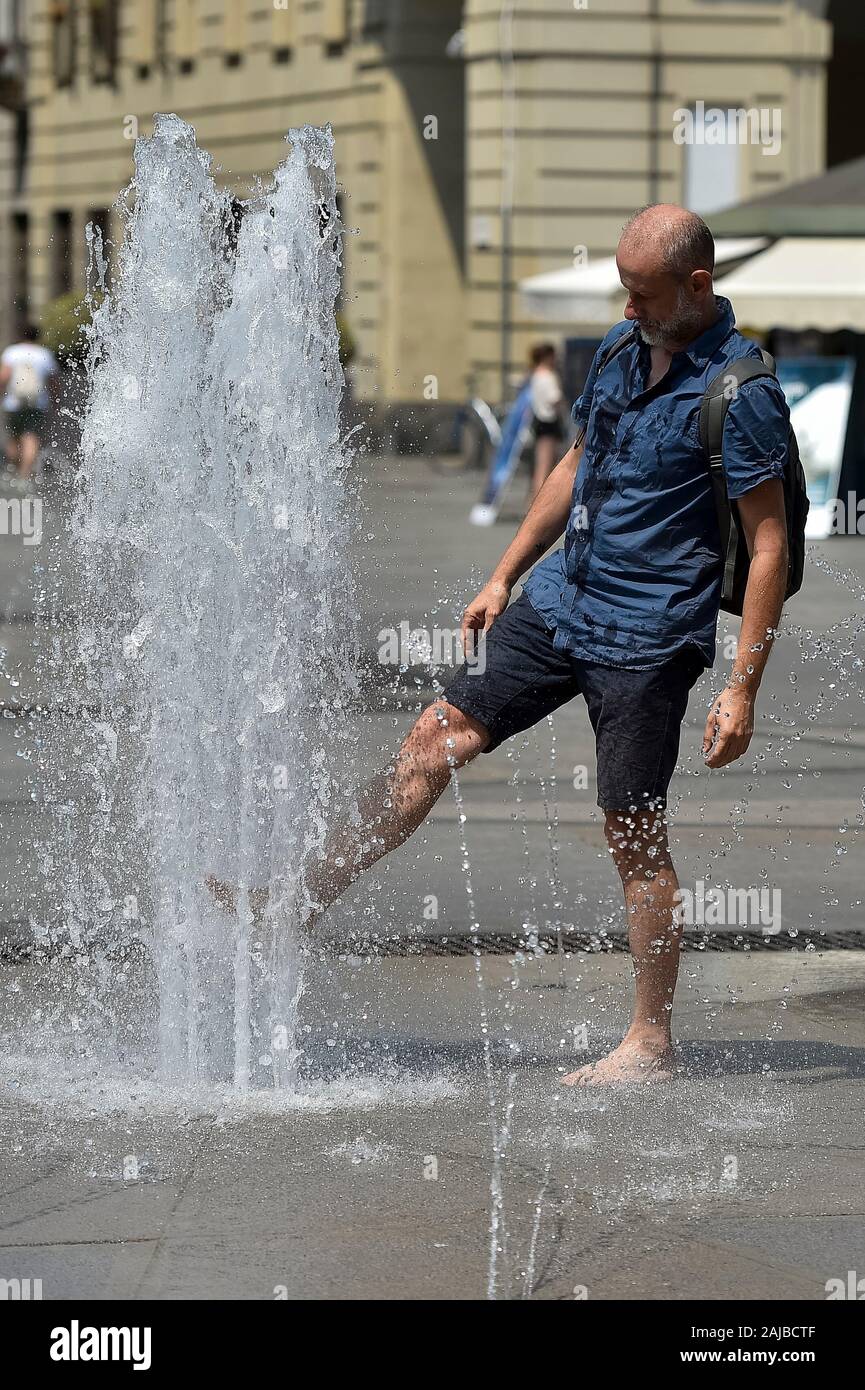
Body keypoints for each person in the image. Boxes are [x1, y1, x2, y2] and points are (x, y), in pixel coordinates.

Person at [211, 204, 791, 1088]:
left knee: (630, 828)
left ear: (697, 287)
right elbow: (575, 465)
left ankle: (649, 1042)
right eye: (623, 292)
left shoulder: (740, 394)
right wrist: (503, 574)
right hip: (560, 601)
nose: (628, 308)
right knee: (429, 738)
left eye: (642, 294)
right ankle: (293, 903)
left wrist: (741, 686)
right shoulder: (617, 348)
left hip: (647, 635)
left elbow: (769, 545)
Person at [0, 323, 60, 481]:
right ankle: (24, 476)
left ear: (20, 335)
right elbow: (53, 382)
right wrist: (55, 402)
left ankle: (13, 470)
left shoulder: (11, 352)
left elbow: (4, 377)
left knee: (13, 438)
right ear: (37, 336)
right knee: (31, 437)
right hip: (37, 403)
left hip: (13, 403)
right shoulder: (45, 354)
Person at [528, 342, 565, 502]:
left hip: (539, 422)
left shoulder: (535, 375)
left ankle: (536, 500)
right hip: (549, 424)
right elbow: (555, 399)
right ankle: (538, 502)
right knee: (545, 467)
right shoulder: (548, 376)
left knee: (542, 465)